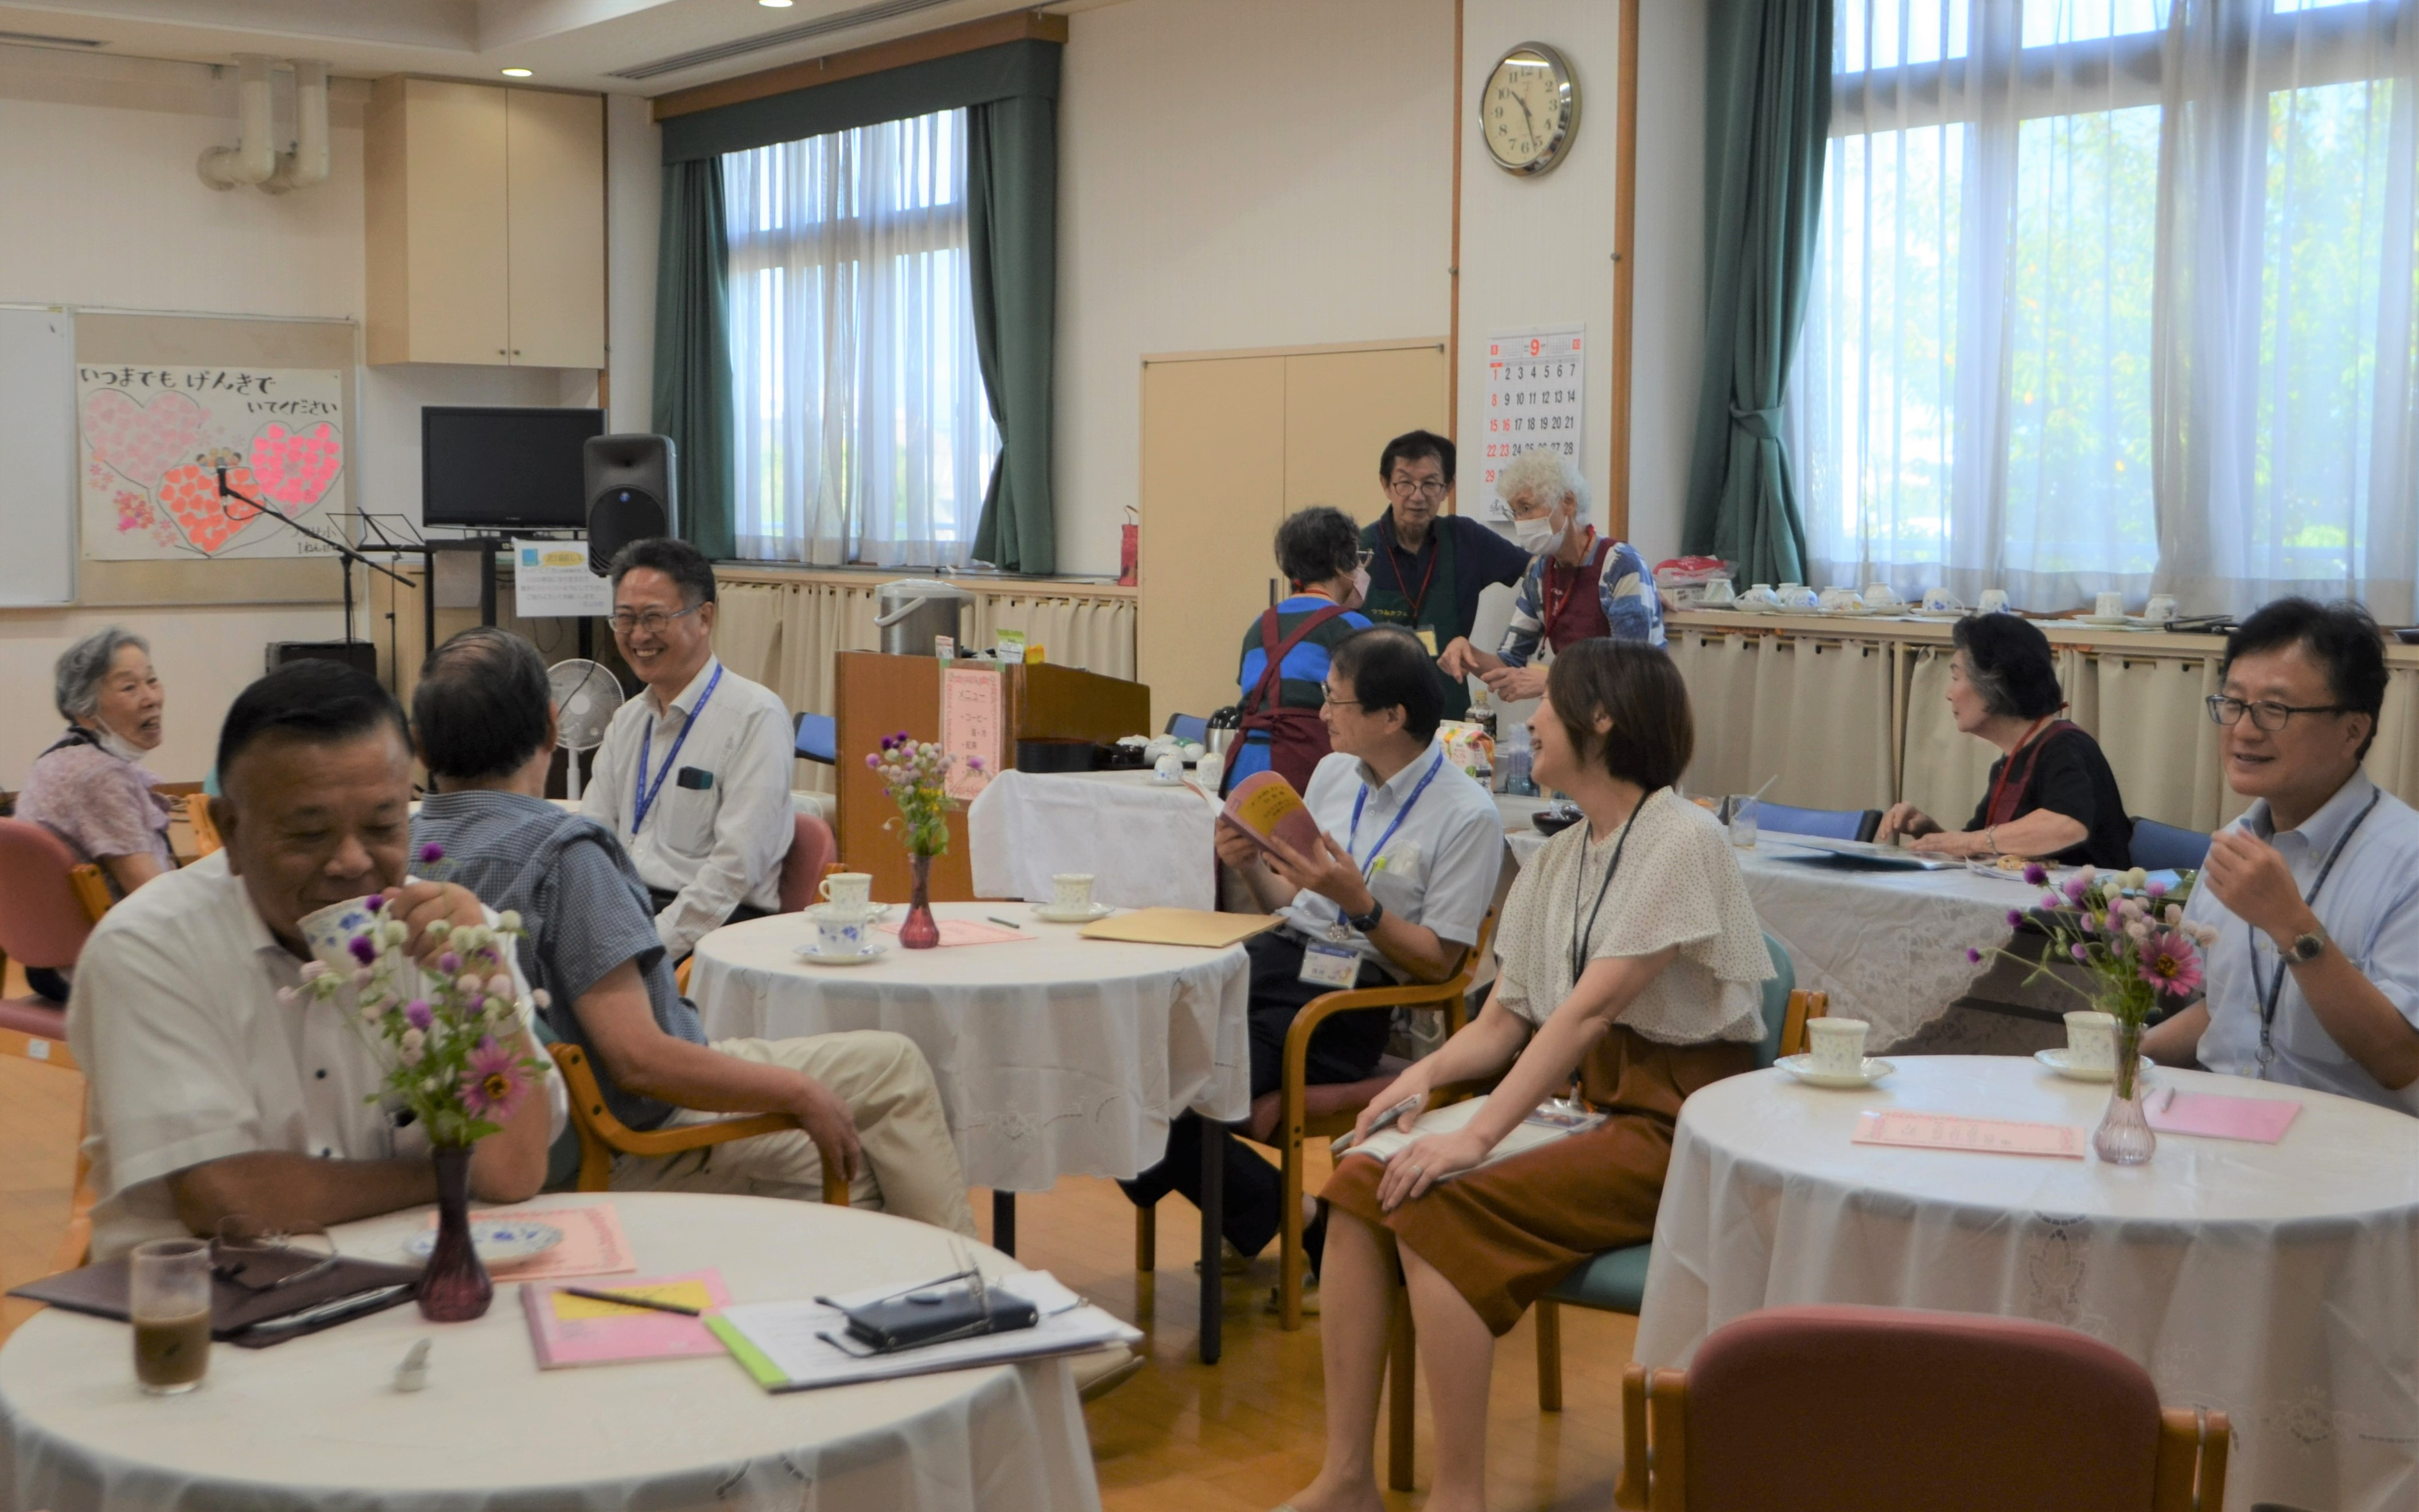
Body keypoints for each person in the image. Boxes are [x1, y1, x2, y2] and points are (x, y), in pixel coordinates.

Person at [1282, 640, 1774, 1512]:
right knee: (1361, 1181)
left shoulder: (1683, 839)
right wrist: (1419, 1082)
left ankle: (1459, 1496)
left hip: (1677, 1128)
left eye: (1547, 705)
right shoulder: (1556, 854)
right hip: (1592, 1109)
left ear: (1604, 719)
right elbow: (1508, 1019)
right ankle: (1347, 1476)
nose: (1530, 723)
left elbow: (1584, 1014)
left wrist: (1474, 1136)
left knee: (1435, 1198)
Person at [411, 628, 976, 1234]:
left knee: (885, 1080)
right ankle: (968, 1289)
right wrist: (799, 1092)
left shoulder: (410, 854)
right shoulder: (564, 858)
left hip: (509, 1131)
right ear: (553, 726)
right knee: (878, 1130)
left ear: (420, 745)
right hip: (628, 1131)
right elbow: (640, 1062)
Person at [67, 660, 562, 1262]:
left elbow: (513, 1173)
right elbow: (227, 1200)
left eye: (383, 825)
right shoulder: (149, 948)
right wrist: (455, 1173)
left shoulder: (450, 932)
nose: (352, 862)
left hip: (407, 1289)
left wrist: (491, 991)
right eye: (308, 834)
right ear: (230, 831)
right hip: (201, 1307)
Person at [1125, 626, 1504, 1290]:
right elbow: (1293, 901)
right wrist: (1250, 864)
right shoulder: (1333, 773)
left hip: (1350, 998)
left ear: (1393, 716)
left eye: (1336, 702)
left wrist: (1362, 905)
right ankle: (1303, 1219)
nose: (1322, 714)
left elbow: (1439, 965)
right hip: (1279, 956)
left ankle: (1287, 1221)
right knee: (1127, 1061)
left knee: (1181, 1082)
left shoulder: (1466, 813)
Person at [2144, 599, 2419, 1113]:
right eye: (2233, 703)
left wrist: (2291, 925)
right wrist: (2123, 1058)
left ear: (2352, 731)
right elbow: (2225, 1008)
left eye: (2276, 709)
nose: (2244, 731)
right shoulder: (2236, 840)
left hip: (2350, 1158)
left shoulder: (2408, 860)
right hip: (2219, 1133)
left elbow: (2401, 1060)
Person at [582, 537, 795, 961]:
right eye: (625, 619)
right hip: (626, 916)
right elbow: (593, 838)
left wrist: (645, 945)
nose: (639, 636)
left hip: (715, 933)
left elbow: (732, 872)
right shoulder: (627, 721)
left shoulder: (755, 717)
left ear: (704, 618)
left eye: (654, 618)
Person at [1874, 613, 2133, 867]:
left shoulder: (2066, 747)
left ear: (1995, 683)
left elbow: (2068, 826)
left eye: (1956, 678)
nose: (1949, 694)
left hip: (2083, 907)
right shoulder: (2009, 762)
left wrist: (1971, 842)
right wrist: (1926, 830)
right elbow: (1979, 850)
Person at [14, 628, 176, 1001]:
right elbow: (150, 894)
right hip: (100, 964)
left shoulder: (64, 755)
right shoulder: (98, 775)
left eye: (152, 680)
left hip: (51, 959)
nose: (151, 698)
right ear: (85, 708)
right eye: (129, 688)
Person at [1437, 448, 1664, 702]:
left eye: (1527, 508)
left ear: (1568, 502)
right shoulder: (1540, 573)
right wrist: (1468, 652)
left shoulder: (1621, 565)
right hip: (1577, 710)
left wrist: (1551, 681)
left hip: (1632, 716)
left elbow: (1632, 670)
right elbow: (1508, 663)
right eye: (1515, 512)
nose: (1520, 522)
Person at [1358, 430, 1530, 723]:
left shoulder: (1466, 539)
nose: (1417, 496)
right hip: (1375, 710)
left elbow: (1539, 570)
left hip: (1446, 711)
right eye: (1405, 484)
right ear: (1386, 485)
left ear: (1447, 488)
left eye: (1430, 484)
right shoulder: (1360, 549)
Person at [1226, 506, 1375, 792]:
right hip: (1307, 771)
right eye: (1358, 559)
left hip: (1244, 772)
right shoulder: (1353, 627)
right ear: (1339, 562)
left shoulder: (1260, 625)